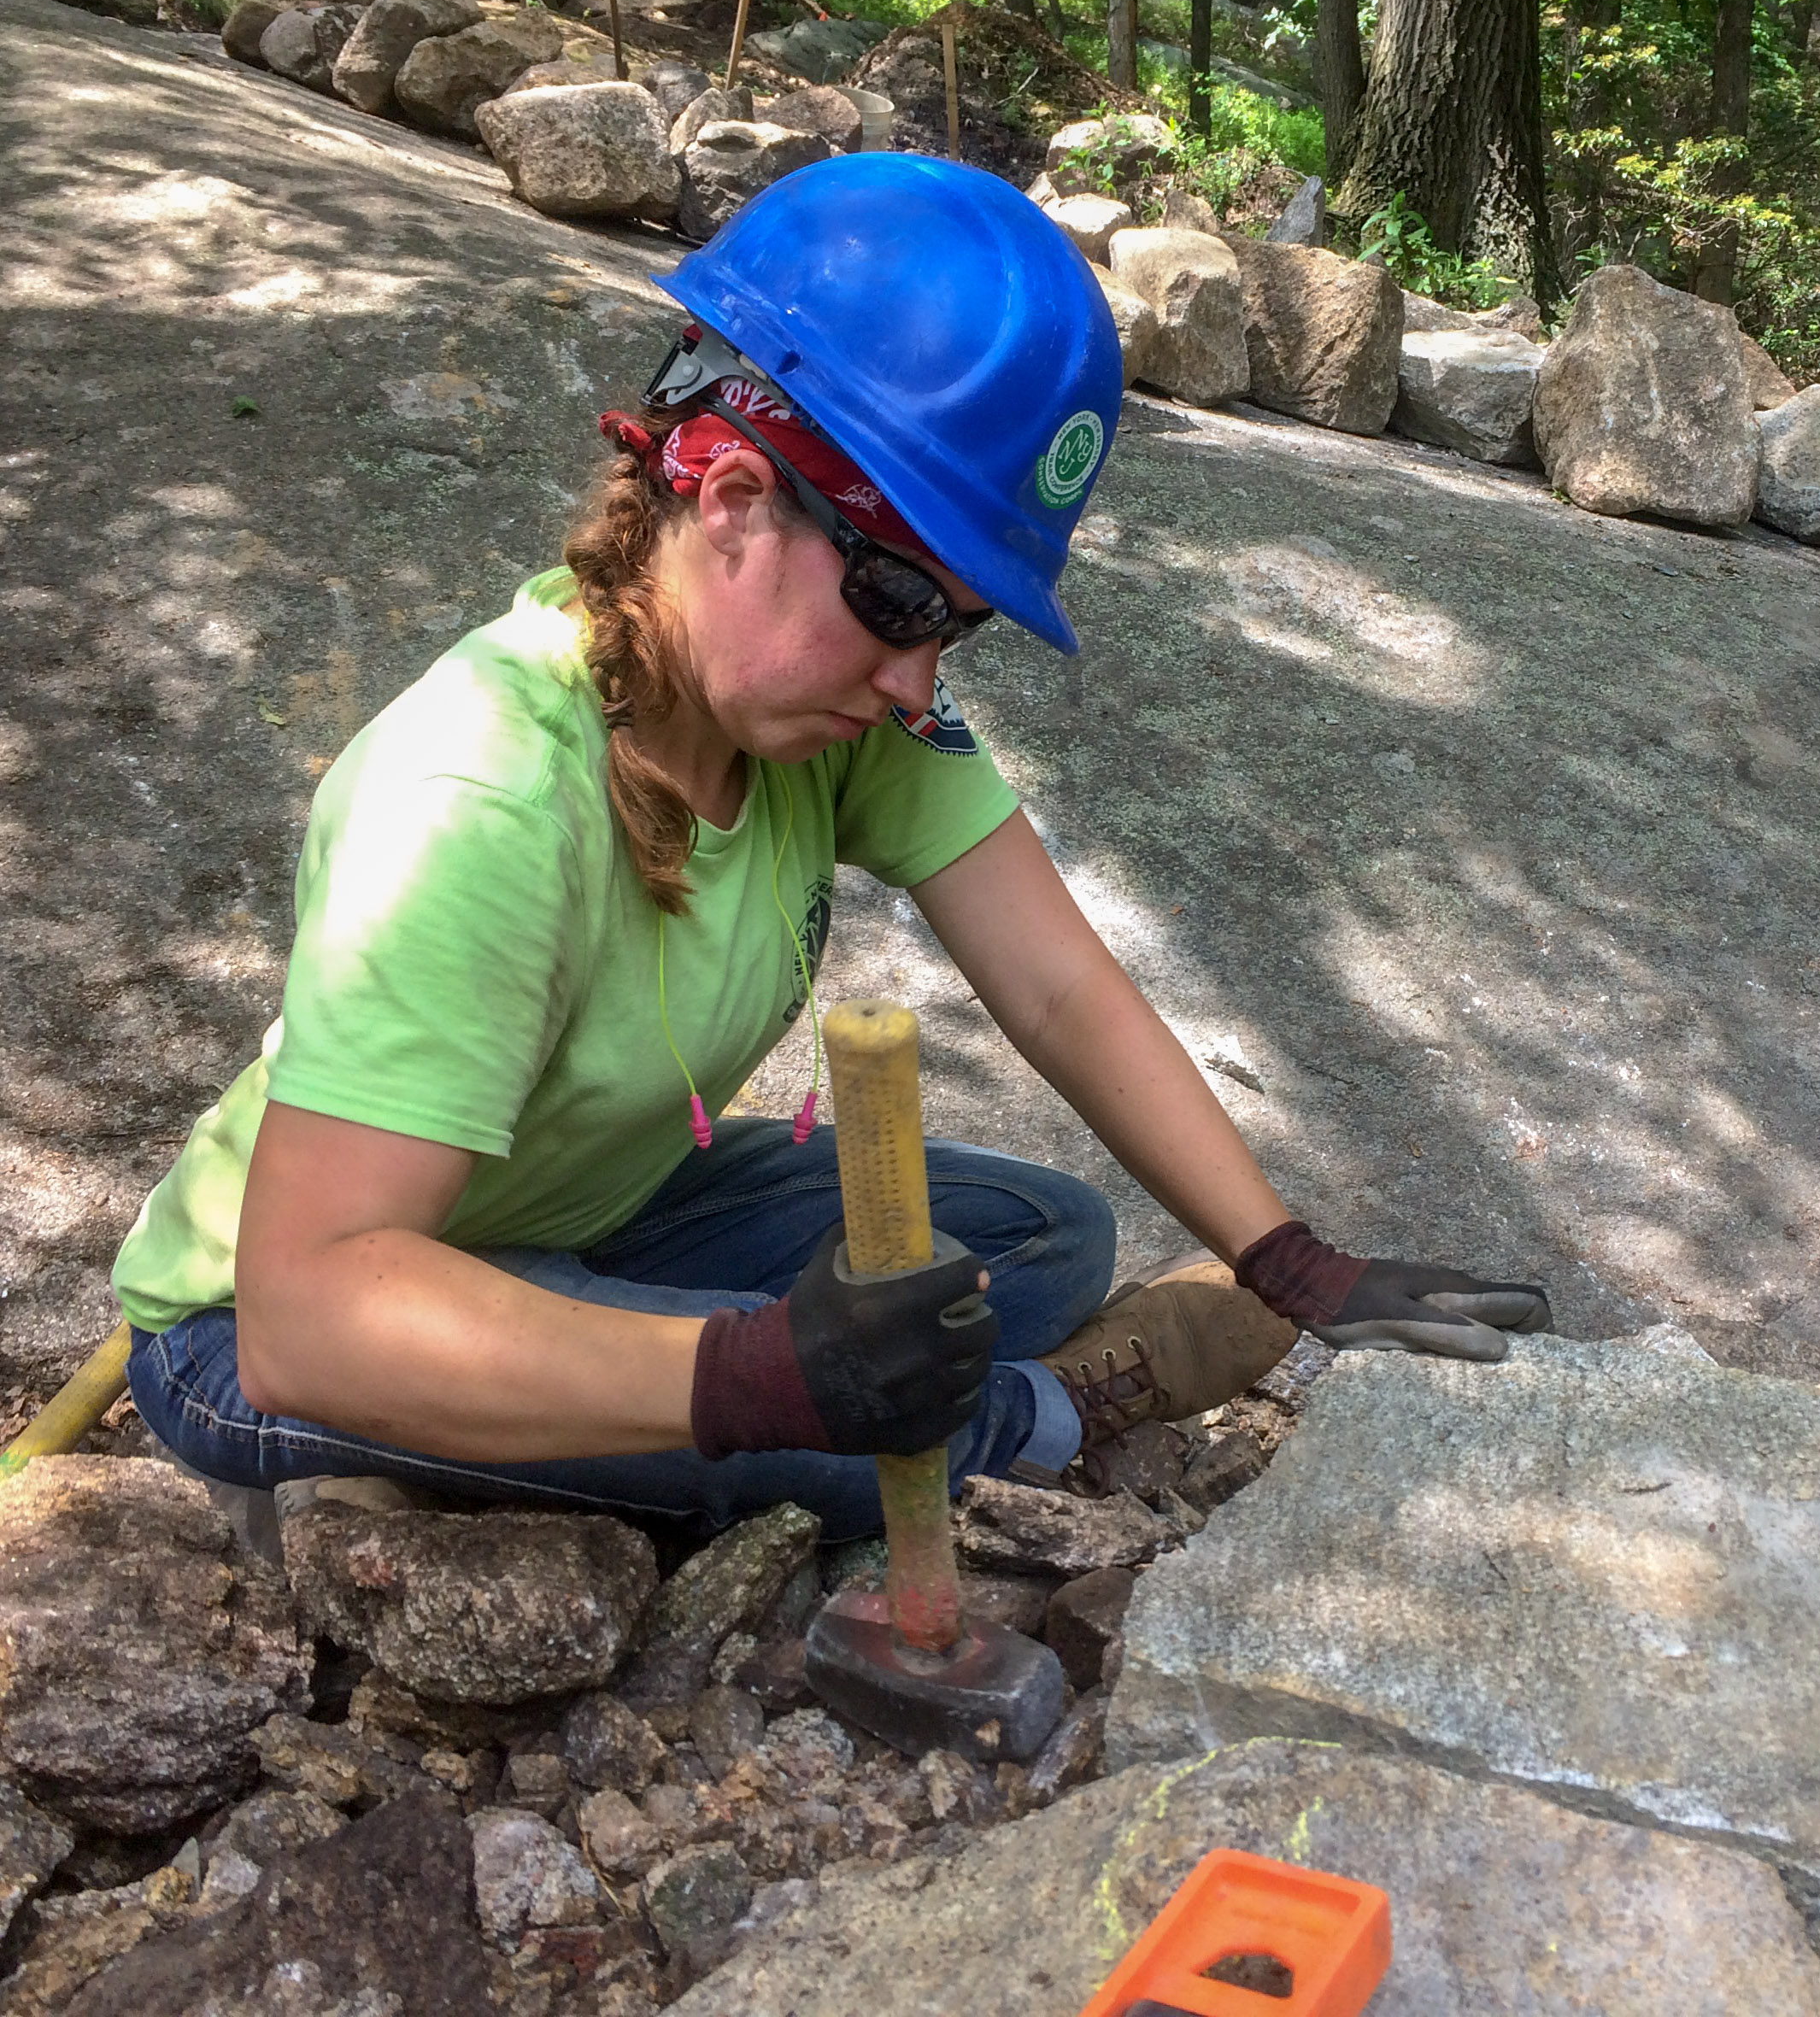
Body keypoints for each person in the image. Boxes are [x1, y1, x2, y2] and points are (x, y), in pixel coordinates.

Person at [110, 155, 1548, 1544]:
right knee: (845, 1431)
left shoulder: (814, 717)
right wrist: (753, 1377)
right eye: (901, 604)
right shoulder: (478, 795)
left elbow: (1058, 988)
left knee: (1039, 1238)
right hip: (264, 1329)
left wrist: (1281, 1258)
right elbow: (307, 1315)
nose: (918, 683)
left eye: (958, 624)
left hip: (586, 1223)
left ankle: (570, 1402)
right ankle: (1039, 1421)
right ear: (733, 499)